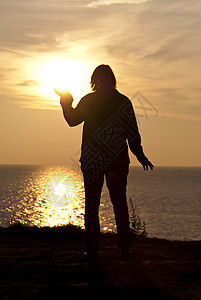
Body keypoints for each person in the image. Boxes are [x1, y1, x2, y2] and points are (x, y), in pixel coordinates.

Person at [55, 64, 154, 257]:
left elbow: (132, 132)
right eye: (99, 79)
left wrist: (140, 154)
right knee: (92, 205)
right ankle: (93, 248)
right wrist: (66, 101)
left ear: (111, 81)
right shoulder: (91, 101)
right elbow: (73, 120)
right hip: (93, 161)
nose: (101, 83)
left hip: (115, 162)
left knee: (118, 203)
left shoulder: (122, 102)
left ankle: (123, 247)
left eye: (105, 79)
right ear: (94, 81)